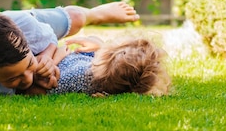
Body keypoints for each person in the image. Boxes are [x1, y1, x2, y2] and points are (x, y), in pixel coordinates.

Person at [0, 2, 140, 96]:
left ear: (27, 42)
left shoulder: (25, 24)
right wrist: (50, 64)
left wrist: (47, 56)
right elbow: (35, 90)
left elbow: (51, 38)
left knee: (75, 19)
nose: (28, 78)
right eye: (14, 78)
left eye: (30, 64)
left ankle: (95, 13)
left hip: (11, 21)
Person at [42, 35, 171, 96]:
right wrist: (99, 45)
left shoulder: (74, 77)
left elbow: (41, 83)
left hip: (49, 56)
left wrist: (58, 56)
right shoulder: (109, 79)